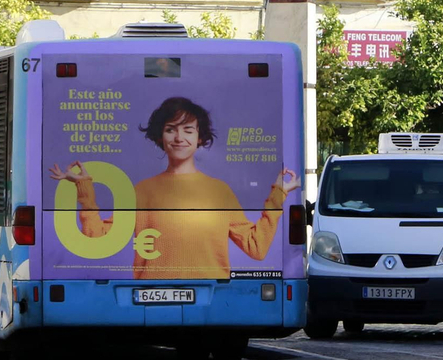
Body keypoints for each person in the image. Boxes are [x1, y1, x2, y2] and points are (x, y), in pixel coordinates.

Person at [50, 97, 299, 280]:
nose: (179, 137)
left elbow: (256, 248)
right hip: (149, 299)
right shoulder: (143, 191)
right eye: (171, 130)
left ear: (200, 138)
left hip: (210, 302)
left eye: (188, 130)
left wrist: (278, 195)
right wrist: (84, 189)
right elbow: (96, 236)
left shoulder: (220, 191)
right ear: (161, 137)